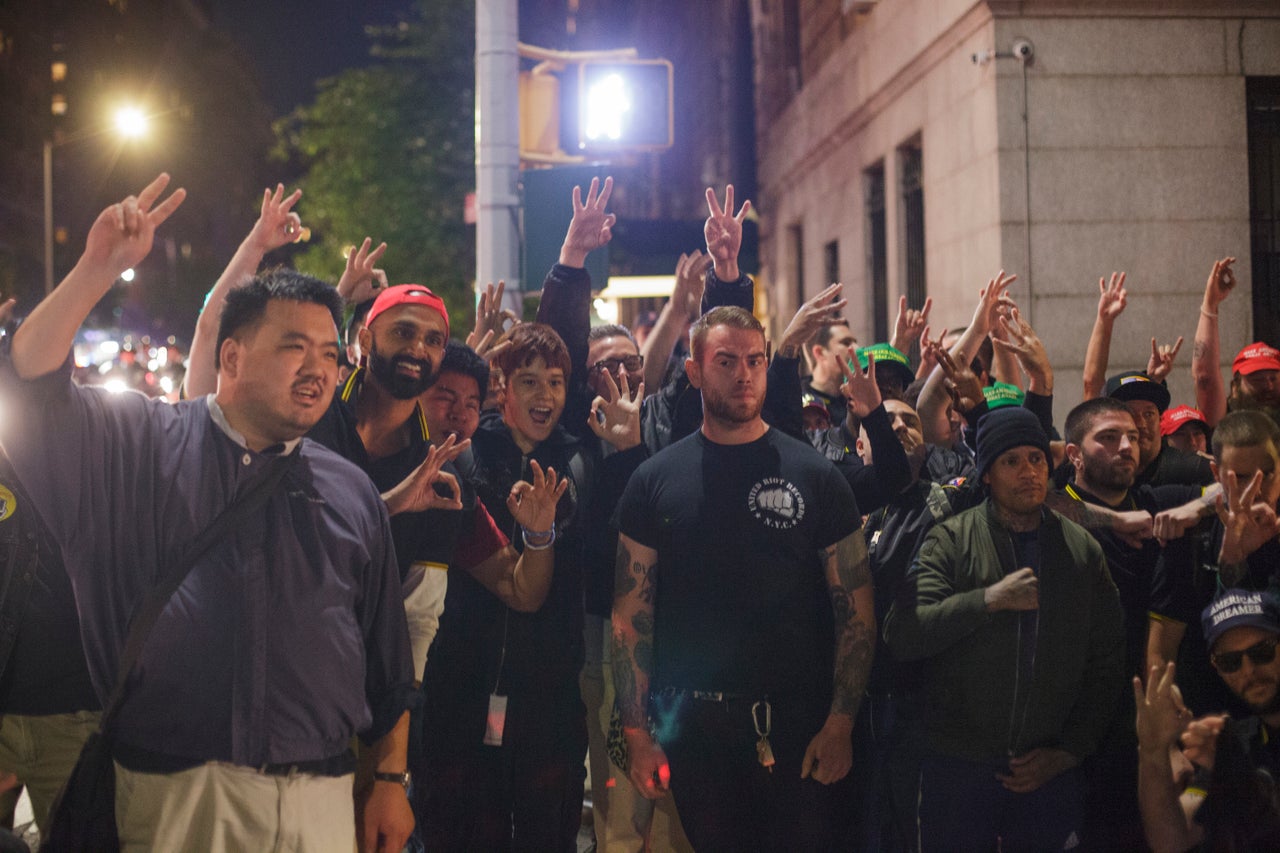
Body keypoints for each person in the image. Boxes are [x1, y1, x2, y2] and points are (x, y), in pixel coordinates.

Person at [0, 175, 416, 851]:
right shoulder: (138, 445)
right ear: (230, 355)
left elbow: (388, 663)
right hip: (179, 795)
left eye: (331, 356)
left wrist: (391, 779)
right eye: (294, 348)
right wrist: (97, 267)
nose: (318, 370)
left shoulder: (350, 491)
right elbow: (32, 379)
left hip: (321, 797)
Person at [612, 306, 875, 850]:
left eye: (755, 360)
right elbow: (630, 618)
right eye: (726, 361)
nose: (744, 374)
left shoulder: (816, 476)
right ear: (694, 371)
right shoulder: (654, 481)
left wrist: (841, 723)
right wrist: (638, 735)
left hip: (799, 725)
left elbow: (856, 611)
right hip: (696, 730)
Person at [884, 406, 1125, 852]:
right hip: (958, 764)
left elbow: (1107, 658)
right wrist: (987, 600)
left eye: (1036, 459)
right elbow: (904, 632)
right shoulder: (951, 540)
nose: (1028, 472)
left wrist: (1070, 750)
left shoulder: (1080, 550)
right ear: (988, 475)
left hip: (1046, 767)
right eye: (1011, 461)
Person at [1148, 410, 1280, 716]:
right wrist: (1168, 739)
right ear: (1216, 474)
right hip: (1212, 723)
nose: (1256, 489)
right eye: (1242, 478)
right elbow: (1161, 650)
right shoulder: (1189, 537)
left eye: (1268, 473)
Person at [1136, 589, 1280, 852]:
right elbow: (1172, 841)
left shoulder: (1231, 755)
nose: (1248, 669)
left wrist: (1243, 779)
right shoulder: (1232, 743)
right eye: (1230, 661)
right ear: (1217, 668)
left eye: (1262, 651)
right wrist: (1153, 750)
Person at [1104, 370, 1214, 488]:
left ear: (1160, 420)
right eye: (1130, 413)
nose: (1141, 424)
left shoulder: (1195, 472)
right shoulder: (1095, 476)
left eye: (1148, 414)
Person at [803, 322, 858, 428]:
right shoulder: (796, 399)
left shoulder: (857, 398)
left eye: (855, 342)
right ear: (819, 352)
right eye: (846, 343)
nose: (856, 348)